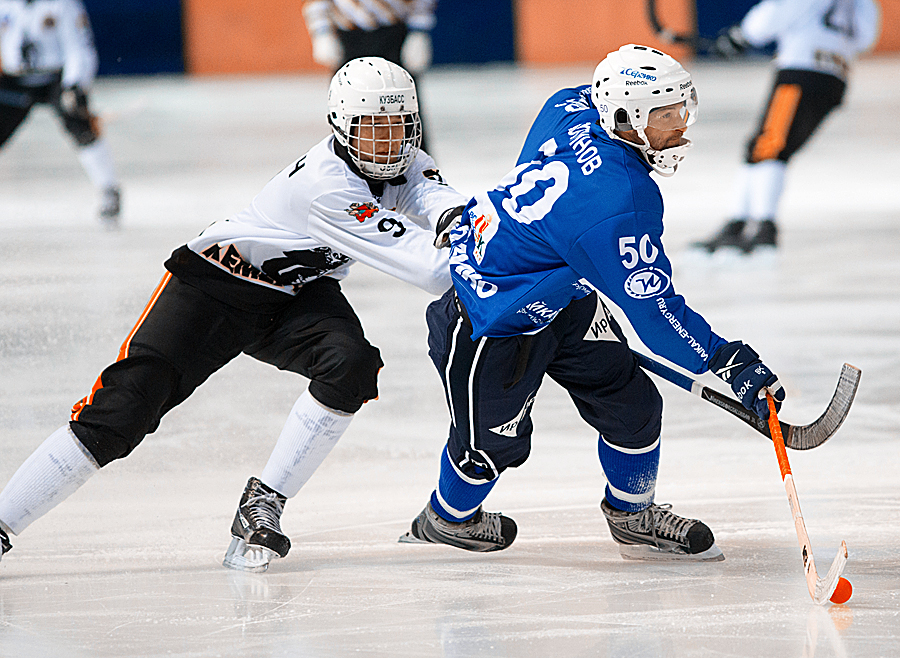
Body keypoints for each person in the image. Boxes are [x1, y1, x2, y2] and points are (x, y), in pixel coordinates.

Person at [0, 57, 466, 572]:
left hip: (294, 291)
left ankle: (264, 503)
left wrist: (455, 217)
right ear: (339, 126)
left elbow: (437, 195)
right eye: (373, 128)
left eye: (400, 126)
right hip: (215, 285)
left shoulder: (407, 160)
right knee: (121, 413)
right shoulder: (327, 186)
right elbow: (434, 270)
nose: (390, 142)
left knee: (349, 365)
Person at [399, 44, 785, 561]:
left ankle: (632, 516)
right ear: (626, 117)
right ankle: (445, 521)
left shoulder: (572, 104)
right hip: (490, 315)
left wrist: (566, 254)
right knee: (489, 448)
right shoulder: (621, 203)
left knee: (632, 404)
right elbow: (655, 314)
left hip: (563, 294)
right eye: (667, 115)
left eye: (681, 110)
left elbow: (540, 166)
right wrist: (727, 360)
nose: (681, 127)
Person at [693, 0, 880, 254]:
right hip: (835, 76)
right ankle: (738, 222)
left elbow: (779, 11)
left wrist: (742, 35)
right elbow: (866, 37)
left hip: (800, 71)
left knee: (770, 146)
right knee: (762, 145)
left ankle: (762, 227)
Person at [0, 0, 123, 226]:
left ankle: (108, 189)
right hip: (15, 78)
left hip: (56, 76)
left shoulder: (62, 4)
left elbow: (78, 47)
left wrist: (74, 85)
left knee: (80, 124)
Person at [302, 0, 436, 152]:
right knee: (349, 109)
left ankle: (415, 165)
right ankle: (346, 163)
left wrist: (419, 29)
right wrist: (321, 29)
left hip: (394, 34)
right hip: (348, 35)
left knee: (403, 107)